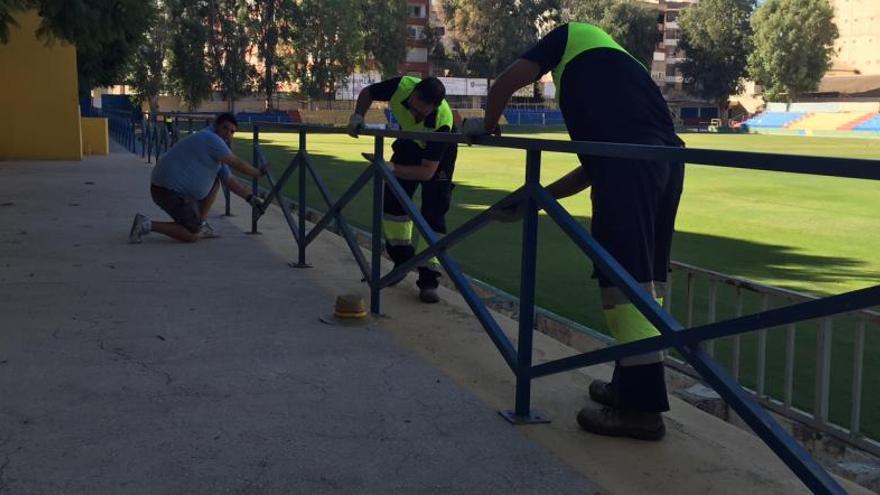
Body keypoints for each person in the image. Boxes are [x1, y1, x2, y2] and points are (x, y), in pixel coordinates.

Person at [462, 22, 685, 441]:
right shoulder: (617, 69)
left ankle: (642, 411)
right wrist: (535, 199)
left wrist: (487, 126)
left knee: (622, 283)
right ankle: (627, 385)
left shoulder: (570, 37)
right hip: (664, 164)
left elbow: (505, 84)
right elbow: (595, 166)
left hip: (629, 168)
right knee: (644, 278)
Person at [348, 76, 458, 304]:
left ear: (434, 108)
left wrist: (390, 168)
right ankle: (402, 261)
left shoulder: (441, 122)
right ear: (413, 94)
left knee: (434, 213)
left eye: (422, 113)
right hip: (408, 140)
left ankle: (428, 281)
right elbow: (368, 92)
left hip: (438, 155)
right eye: (414, 108)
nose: (416, 115)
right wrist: (359, 115)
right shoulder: (400, 87)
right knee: (393, 202)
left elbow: (427, 172)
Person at [129, 113, 266, 243]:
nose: (228, 134)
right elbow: (237, 163)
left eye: (232, 132)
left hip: (171, 190)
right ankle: (146, 224)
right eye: (225, 128)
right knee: (192, 235)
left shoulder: (214, 144)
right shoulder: (211, 139)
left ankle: (202, 224)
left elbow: (228, 180)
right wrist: (257, 173)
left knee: (215, 183)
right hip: (167, 192)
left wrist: (250, 198)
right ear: (216, 125)